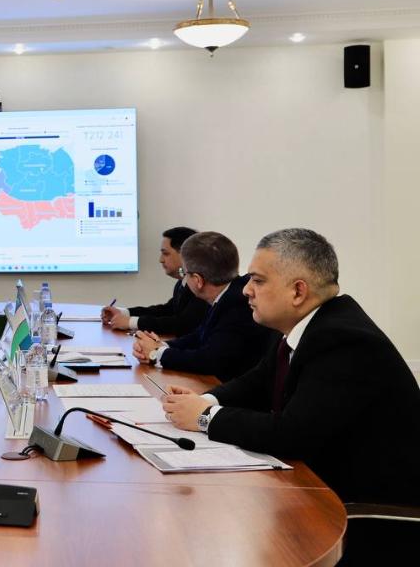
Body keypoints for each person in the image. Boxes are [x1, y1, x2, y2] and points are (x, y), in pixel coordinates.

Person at [163, 228, 420, 562]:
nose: (246, 290)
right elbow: (258, 381)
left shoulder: (344, 340)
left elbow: (291, 434)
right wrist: (207, 401)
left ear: (298, 291)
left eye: (257, 280)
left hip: (371, 513)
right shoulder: (306, 325)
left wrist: (202, 417)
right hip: (320, 487)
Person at [132, 231, 273, 381]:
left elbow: (209, 360)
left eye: (184, 273)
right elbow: (199, 335)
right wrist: (163, 346)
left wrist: (156, 354)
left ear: (198, 280)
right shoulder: (225, 294)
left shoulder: (238, 303)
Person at [101, 226, 208, 337]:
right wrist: (124, 313)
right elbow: (167, 310)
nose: (161, 260)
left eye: (165, 253)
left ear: (184, 254)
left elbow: (182, 324)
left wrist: (131, 322)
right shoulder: (182, 282)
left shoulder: (200, 286)